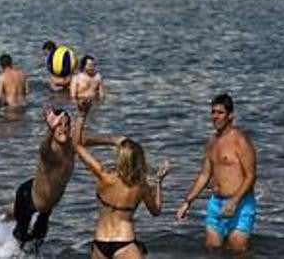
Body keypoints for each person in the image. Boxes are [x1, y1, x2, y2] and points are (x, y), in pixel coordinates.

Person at [6, 106, 117, 253]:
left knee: (37, 243)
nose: (63, 128)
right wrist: (49, 130)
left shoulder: (72, 145)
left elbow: (90, 139)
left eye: (66, 124)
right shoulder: (50, 151)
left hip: (45, 204)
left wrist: (116, 141)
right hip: (30, 201)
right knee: (21, 243)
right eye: (59, 125)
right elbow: (43, 150)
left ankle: (9, 212)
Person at [74, 100, 170, 258]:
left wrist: (82, 115)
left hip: (100, 241)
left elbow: (77, 145)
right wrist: (159, 182)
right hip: (125, 241)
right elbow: (156, 211)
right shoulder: (141, 186)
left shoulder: (104, 176)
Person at [176, 94, 258, 253]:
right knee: (212, 250)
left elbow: (251, 176)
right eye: (213, 112)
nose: (215, 116)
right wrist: (187, 202)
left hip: (240, 204)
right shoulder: (211, 142)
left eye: (220, 113)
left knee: (238, 251)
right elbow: (204, 175)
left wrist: (234, 201)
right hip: (216, 203)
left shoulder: (240, 140)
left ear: (230, 115)